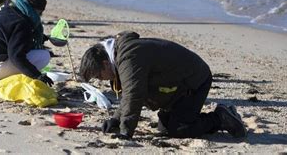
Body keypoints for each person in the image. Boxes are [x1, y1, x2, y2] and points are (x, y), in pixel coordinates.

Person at [80, 31, 247, 140]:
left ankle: (221, 117)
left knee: (179, 129)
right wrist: (116, 120)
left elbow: (134, 95)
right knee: (165, 127)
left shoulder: (128, 58)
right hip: (178, 87)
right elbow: (129, 93)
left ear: (105, 63)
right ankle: (204, 117)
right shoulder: (120, 55)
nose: (101, 80)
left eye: (99, 76)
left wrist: (126, 131)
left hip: (195, 81)